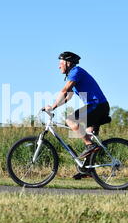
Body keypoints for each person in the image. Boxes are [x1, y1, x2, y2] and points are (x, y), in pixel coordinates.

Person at [43, 51, 111, 179]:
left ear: (68, 63)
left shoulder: (76, 72)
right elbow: (68, 97)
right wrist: (55, 107)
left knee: (71, 120)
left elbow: (64, 90)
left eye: (60, 63)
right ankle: (88, 169)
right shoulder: (73, 75)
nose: (58, 66)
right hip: (99, 106)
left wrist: (51, 107)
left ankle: (90, 146)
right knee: (88, 134)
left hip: (97, 105)